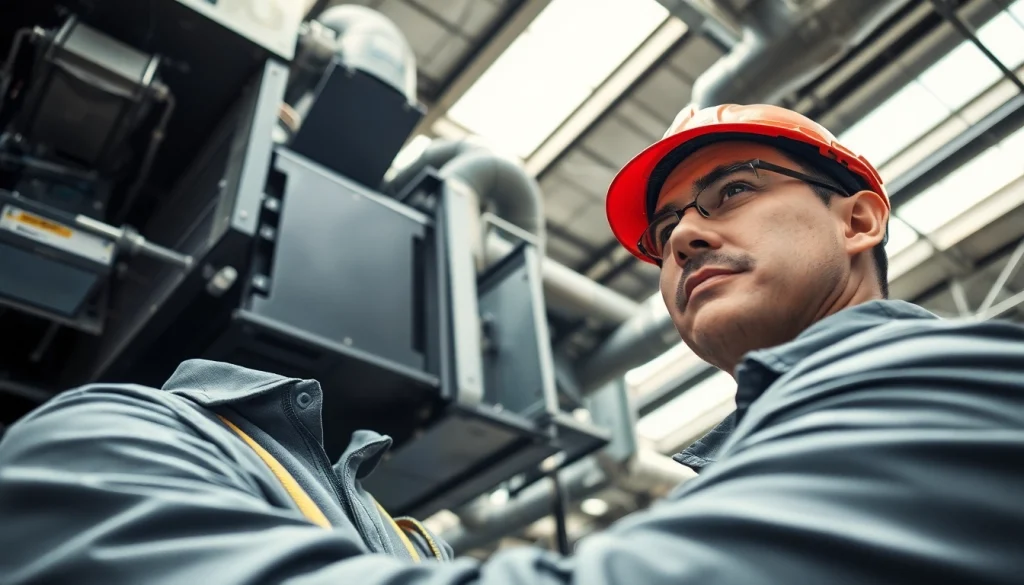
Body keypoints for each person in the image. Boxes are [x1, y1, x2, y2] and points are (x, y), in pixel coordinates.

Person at [2, 103, 1023, 584]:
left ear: (859, 219)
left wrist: (102, 455)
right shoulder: (760, 459)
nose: (684, 238)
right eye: (666, 228)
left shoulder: (953, 388)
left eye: (733, 192)